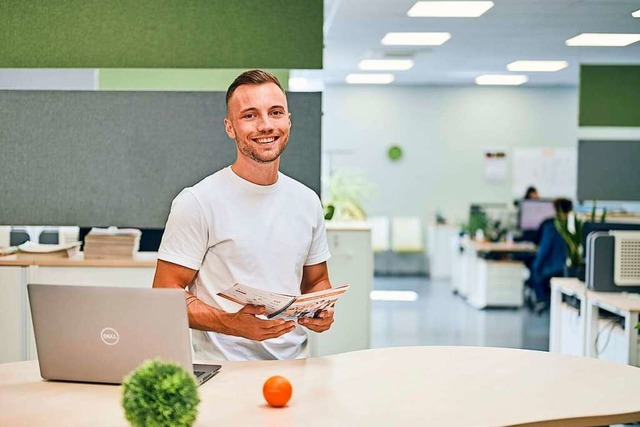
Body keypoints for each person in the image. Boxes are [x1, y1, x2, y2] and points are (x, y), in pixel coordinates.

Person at [153, 70, 334, 361]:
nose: (265, 125)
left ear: (288, 120)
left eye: (275, 112)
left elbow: (316, 282)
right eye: (250, 115)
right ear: (230, 127)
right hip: (223, 371)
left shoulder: (307, 201)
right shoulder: (198, 201)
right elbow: (165, 293)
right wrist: (230, 324)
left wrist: (322, 309)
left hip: (296, 367)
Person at [528, 198, 572, 313]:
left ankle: (541, 299)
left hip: (551, 270)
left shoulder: (551, 227)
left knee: (534, 269)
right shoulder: (573, 227)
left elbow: (543, 252)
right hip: (568, 270)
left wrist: (535, 266)